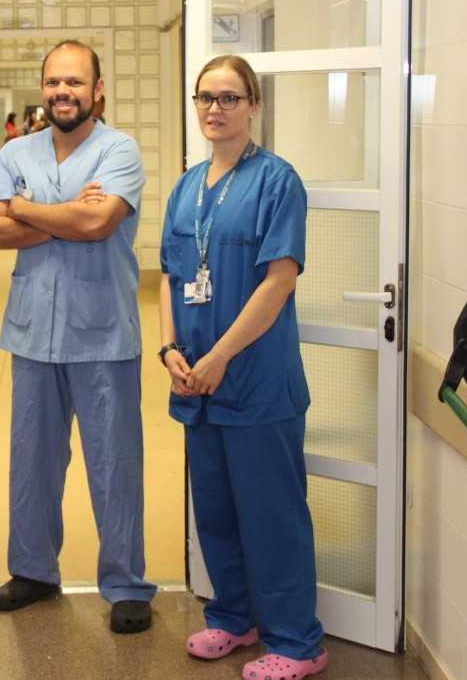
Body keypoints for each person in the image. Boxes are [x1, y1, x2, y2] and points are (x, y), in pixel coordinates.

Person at [0, 39, 156, 634]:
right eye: (54, 82)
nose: (62, 93)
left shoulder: (119, 150)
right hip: (32, 333)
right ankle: (33, 571)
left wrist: (23, 208)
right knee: (30, 461)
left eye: (75, 83)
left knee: (115, 464)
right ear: (42, 88)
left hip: (103, 333)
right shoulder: (16, 151)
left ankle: (126, 582)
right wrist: (62, 217)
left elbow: (98, 222)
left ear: (97, 90)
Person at [157, 54, 327, 679]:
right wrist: (172, 352)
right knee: (218, 511)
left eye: (230, 98)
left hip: (255, 384)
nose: (215, 109)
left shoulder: (277, 181)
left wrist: (220, 357)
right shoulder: (184, 188)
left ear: (254, 106)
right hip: (197, 385)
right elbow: (170, 281)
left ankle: (298, 643)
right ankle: (234, 618)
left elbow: (279, 280)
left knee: (272, 514)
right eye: (206, 97)